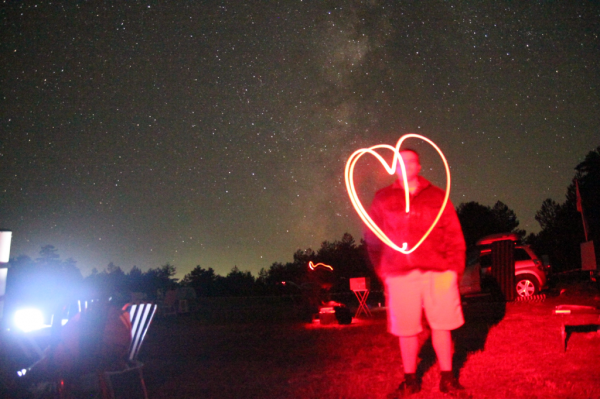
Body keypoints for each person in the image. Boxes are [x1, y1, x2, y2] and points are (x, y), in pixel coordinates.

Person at [365, 149, 467, 398]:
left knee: (442, 325)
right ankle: (410, 381)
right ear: (394, 167)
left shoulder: (437, 196)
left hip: (438, 271)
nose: (406, 165)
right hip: (400, 274)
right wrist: (383, 272)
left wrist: (454, 269)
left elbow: (453, 235)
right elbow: (372, 240)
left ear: (419, 166)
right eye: (401, 161)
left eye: (411, 161)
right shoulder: (382, 198)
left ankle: (447, 379)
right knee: (406, 329)